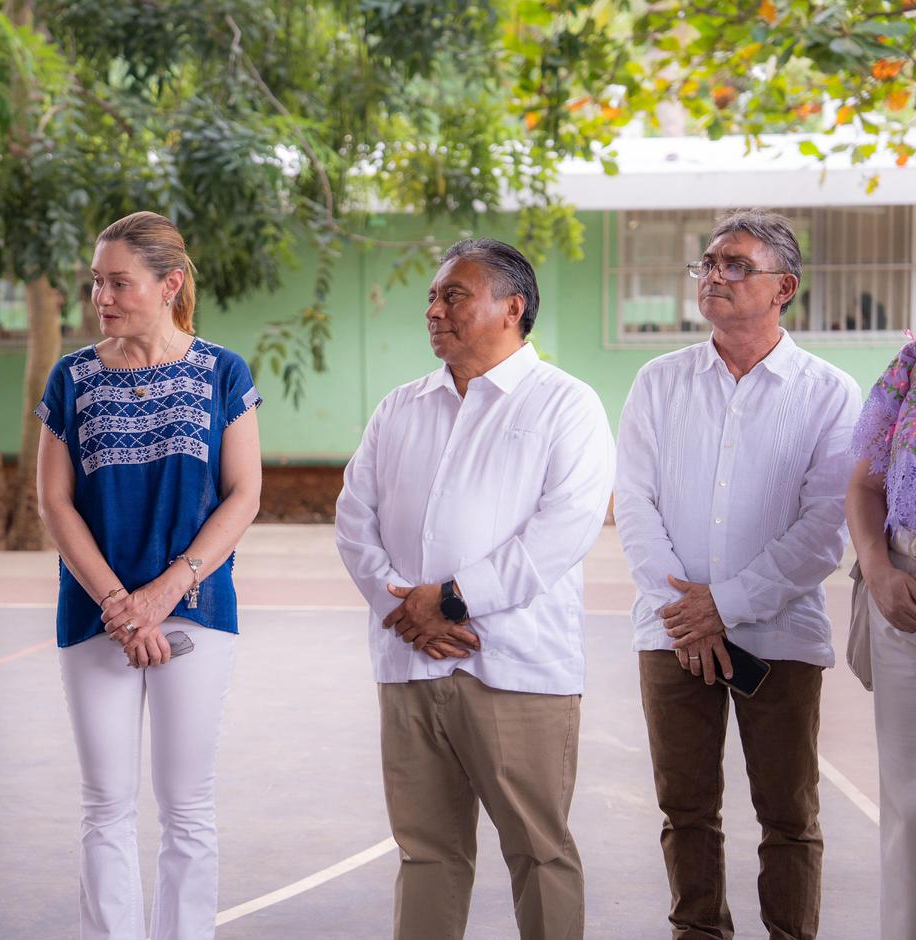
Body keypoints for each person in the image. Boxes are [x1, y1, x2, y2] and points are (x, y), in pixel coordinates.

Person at [335, 237, 615, 940]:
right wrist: (403, 609)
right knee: (427, 854)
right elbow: (352, 516)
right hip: (409, 662)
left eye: (452, 296)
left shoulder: (566, 405)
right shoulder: (401, 407)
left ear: (511, 308)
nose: (433, 310)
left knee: (539, 853)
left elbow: (564, 529)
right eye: (431, 297)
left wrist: (450, 599)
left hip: (514, 665)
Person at [614, 210, 860, 940]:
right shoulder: (659, 382)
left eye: (736, 266)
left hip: (779, 638)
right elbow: (633, 503)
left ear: (783, 286)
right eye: (709, 264)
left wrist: (723, 606)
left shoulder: (828, 392)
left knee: (789, 816)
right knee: (685, 811)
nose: (715, 276)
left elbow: (826, 527)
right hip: (671, 637)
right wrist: (684, 614)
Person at [35, 211, 262, 940]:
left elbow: (243, 495)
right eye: (97, 280)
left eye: (119, 282)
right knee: (105, 805)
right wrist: (118, 604)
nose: (102, 295)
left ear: (169, 285)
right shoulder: (70, 376)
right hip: (96, 615)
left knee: (187, 806)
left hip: (195, 609)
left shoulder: (224, 371)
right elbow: (53, 501)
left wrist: (162, 596)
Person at [847, 342, 916, 940]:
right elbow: (866, 488)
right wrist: (878, 571)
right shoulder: (910, 367)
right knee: (909, 807)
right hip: (905, 595)